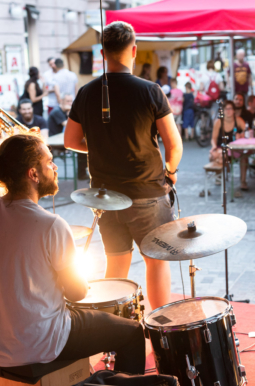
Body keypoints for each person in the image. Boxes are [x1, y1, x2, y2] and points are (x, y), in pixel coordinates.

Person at [0, 133, 146, 373]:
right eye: (49, 162)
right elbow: (77, 293)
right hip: (39, 343)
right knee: (132, 332)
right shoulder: (51, 225)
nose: (55, 167)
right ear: (33, 174)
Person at [64, 21, 183, 312]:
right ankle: (159, 331)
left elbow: (70, 141)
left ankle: (113, 337)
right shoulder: (150, 90)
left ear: (102, 53)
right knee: (156, 262)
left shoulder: (87, 92)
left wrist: (105, 147)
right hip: (147, 193)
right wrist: (170, 171)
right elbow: (174, 145)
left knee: (115, 265)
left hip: (105, 198)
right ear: (134, 51)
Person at [209, 100, 247, 190]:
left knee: (244, 157)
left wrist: (241, 135)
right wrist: (213, 146)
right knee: (215, 154)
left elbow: (248, 131)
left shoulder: (238, 120)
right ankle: (218, 175)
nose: (228, 111)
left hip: (235, 149)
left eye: (230, 108)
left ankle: (243, 181)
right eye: (226, 109)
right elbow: (213, 139)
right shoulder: (218, 122)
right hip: (221, 148)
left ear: (234, 110)